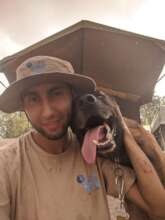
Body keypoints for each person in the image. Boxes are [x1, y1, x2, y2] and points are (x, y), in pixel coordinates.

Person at [0, 55, 164, 220]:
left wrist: (121, 125)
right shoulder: (6, 165)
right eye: (33, 99)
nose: (48, 112)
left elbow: (159, 208)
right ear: (24, 107)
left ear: (72, 97)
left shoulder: (90, 154)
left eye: (56, 94)